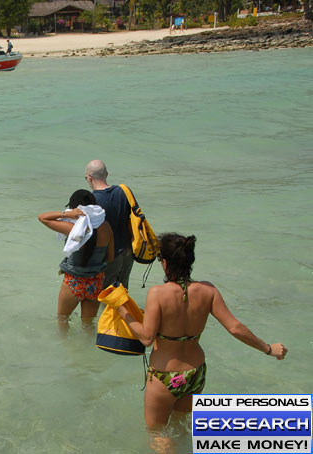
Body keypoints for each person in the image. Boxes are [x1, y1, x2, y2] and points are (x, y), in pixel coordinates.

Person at [115, 233, 287, 439]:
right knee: (180, 430)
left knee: (157, 434)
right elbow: (235, 327)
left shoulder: (157, 294)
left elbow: (146, 337)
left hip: (165, 376)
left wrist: (122, 311)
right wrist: (268, 348)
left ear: (165, 262)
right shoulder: (208, 290)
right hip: (195, 373)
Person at [38, 189, 114, 330]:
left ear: (76, 208)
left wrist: (66, 214)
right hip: (95, 282)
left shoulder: (73, 228)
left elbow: (42, 217)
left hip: (74, 282)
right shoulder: (106, 227)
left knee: (63, 321)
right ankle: (88, 350)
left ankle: (66, 349)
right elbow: (110, 257)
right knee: (88, 326)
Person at [85, 159, 135, 289]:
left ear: (89, 178)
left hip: (110, 256)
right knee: (123, 294)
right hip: (128, 252)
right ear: (106, 174)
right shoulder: (123, 191)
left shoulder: (92, 201)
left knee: (108, 297)